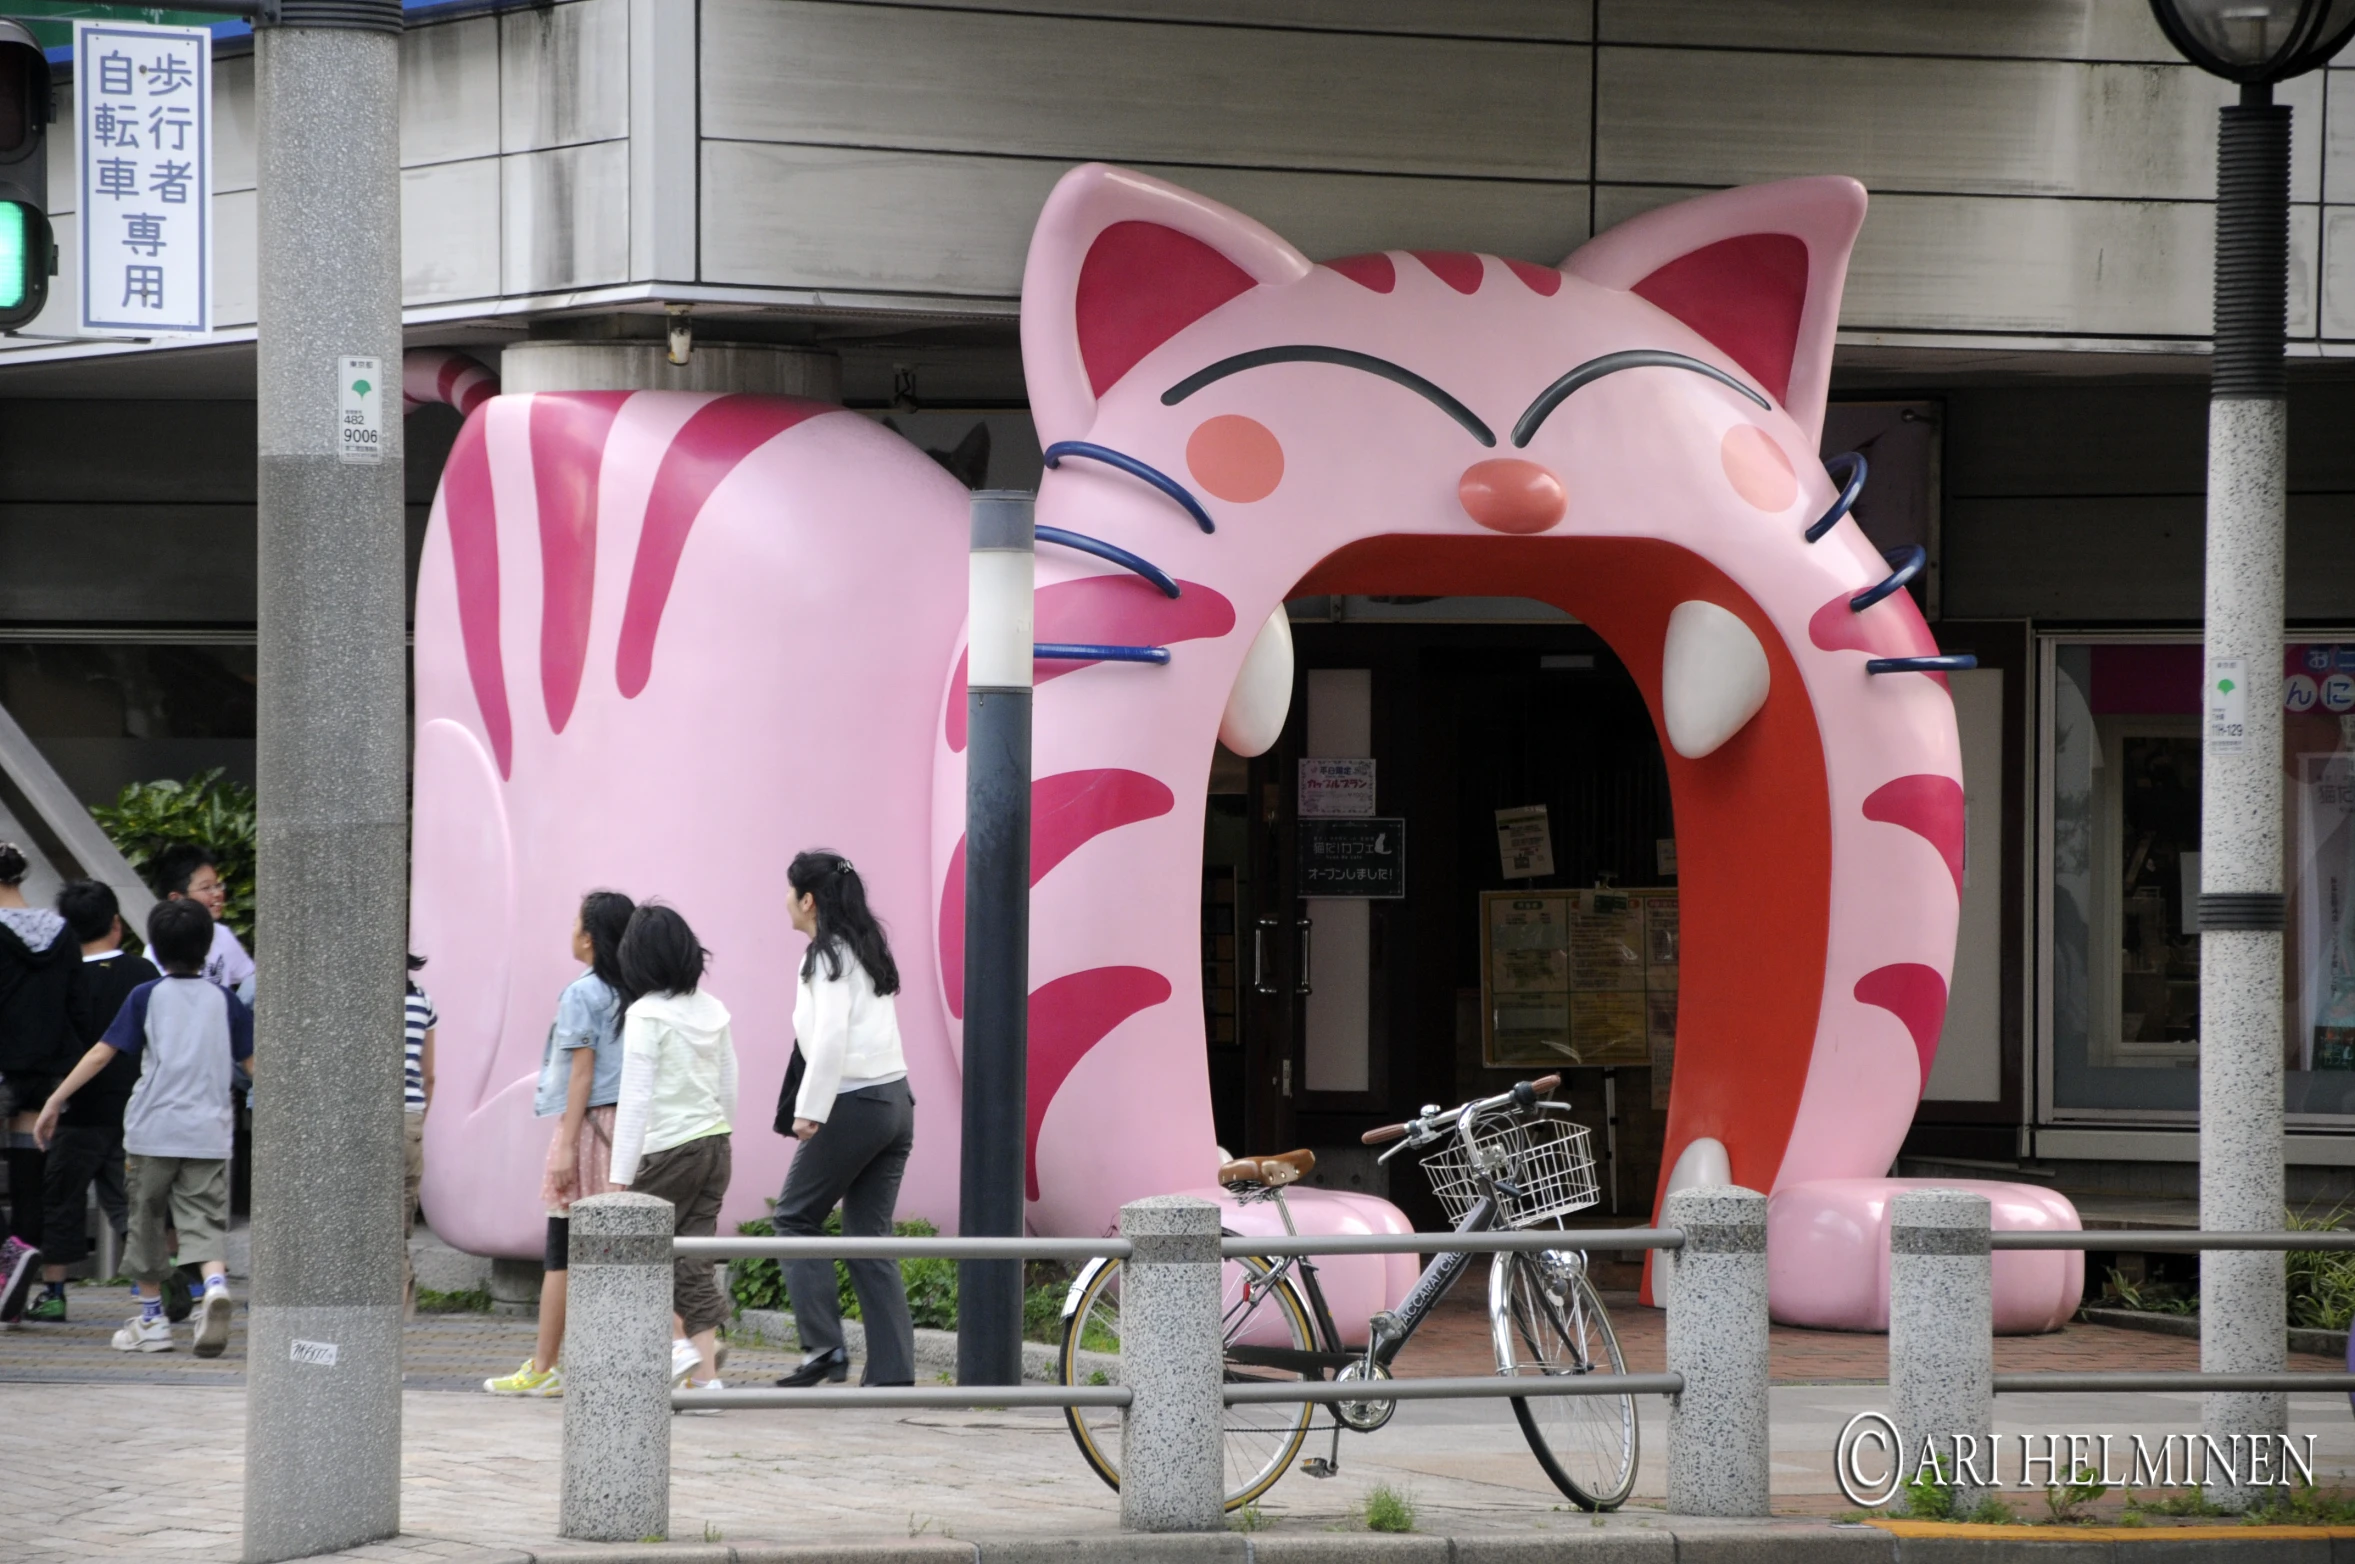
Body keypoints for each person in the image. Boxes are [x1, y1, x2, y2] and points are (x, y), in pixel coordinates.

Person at [34, 897, 252, 1357]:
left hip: (152, 1130)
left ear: (154, 944)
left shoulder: (146, 995)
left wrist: (56, 1099)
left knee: (147, 1220)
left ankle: (152, 1322)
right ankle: (213, 1286)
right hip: (209, 1134)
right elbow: (255, 1066)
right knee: (204, 1218)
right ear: (207, 946)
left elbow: (101, 1053)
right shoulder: (224, 1001)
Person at [772, 851, 915, 1389]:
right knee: (867, 1235)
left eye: (789, 891)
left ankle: (825, 1349)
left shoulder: (824, 955)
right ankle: (893, 1373)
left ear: (808, 900)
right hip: (896, 1103)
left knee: (794, 1216)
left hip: (854, 1102)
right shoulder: (863, 949)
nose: (784, 901)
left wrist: (810, 1112)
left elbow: (829, 1038)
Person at [485, 889, 635, 1396]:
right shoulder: (639, 990)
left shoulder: (582, 993)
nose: (570, 929)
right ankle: (680, 1350)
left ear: (589, 937)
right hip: (631, 1126)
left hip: (590, 1124)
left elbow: (581, 1074)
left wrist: (566, 1145)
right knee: (626, 1250)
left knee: (562, 1251)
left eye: (576, 922)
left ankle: (545, 1365)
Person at [608, 904, 736, 1396]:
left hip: (667, 1149)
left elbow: (637, 1097)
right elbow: (730, 1081)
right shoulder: (713, 1008)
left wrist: (620, 1176)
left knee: (624, 1250)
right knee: (692, 1263)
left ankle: (677, 1343)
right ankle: (707, 1382)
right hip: (715, 1144)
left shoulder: (646, 1014)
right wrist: (721, 1132)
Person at [26, 881, 159, 1322]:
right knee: (130, 1204)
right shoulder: (143, 975)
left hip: (74, 1113)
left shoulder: (60, 978)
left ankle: (56, 1293)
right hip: (131, 1109)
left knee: (61, 1200)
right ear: (116, 924)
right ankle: (165, 1285)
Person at [0, 840, 78, 1323]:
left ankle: (7, 1257)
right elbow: (77, 1003)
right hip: (47, 1074)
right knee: (30, 1182)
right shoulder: (63, 933)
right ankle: (17, 1287)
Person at [146, 844, 255, 997]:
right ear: (177, 899)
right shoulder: (156, 950)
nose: (217, 893)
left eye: (217, 885)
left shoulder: (221, 934)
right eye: (206, 888)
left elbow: (251, 979)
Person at [401, 953, 437, 1313]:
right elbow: (430, 1076)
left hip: (365, 1119)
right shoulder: (423, 1001)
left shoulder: (360, 999)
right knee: (396, 1229)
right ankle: (399, 1319)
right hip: (409, 1115)